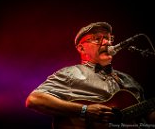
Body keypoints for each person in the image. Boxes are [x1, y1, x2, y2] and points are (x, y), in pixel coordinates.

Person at [25, 22, 155, 129]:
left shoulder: (129, 80)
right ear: (81, 49)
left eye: (109, 38)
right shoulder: (70, 74)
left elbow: (148, 118)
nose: (107, 43)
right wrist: (84, 110)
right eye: (98, 39)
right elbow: (34, 99)